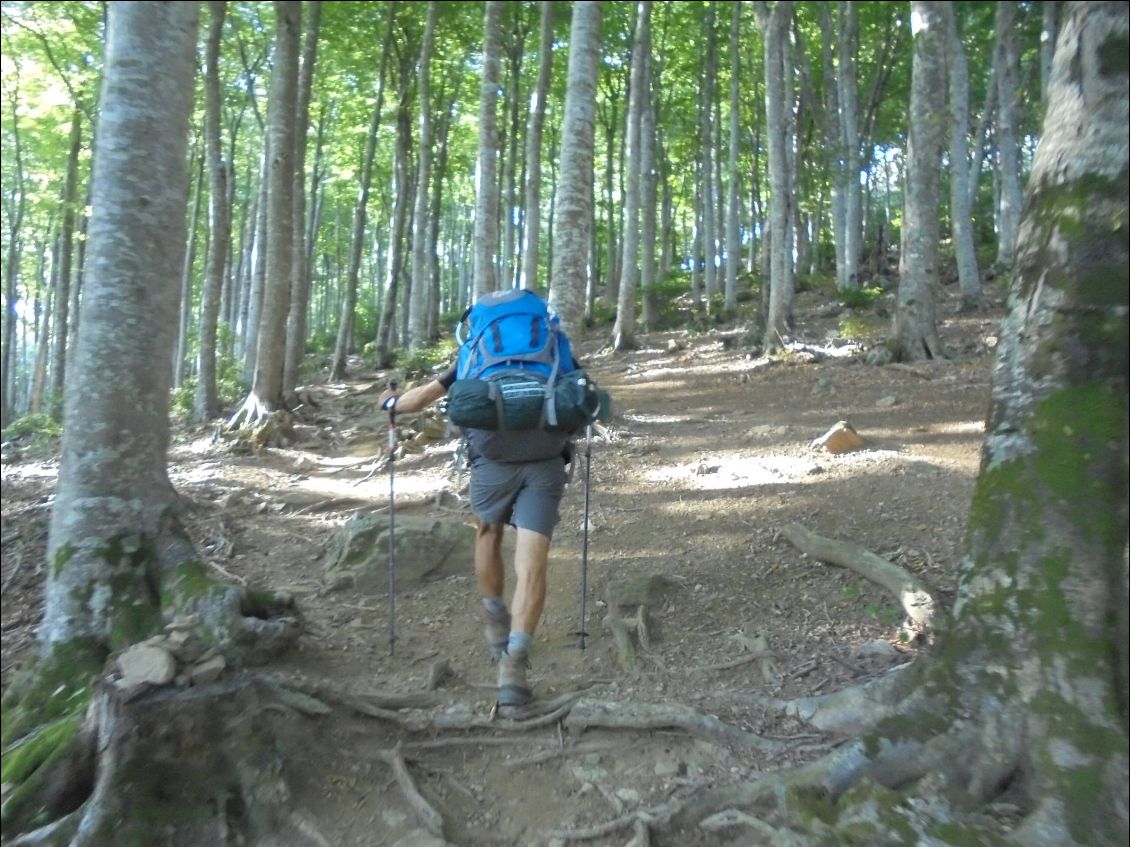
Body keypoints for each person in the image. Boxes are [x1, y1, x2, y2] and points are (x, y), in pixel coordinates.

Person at [378, 362, 573, 710]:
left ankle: (497, 620)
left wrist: (391, 402)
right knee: (533, 560)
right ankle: (513, 667)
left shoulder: (477, 350)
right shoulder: (552, 341)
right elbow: (580, 394)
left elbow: (420, 398)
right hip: (545, 460)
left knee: (488, 533)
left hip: (491, 461)